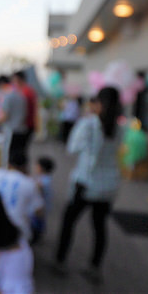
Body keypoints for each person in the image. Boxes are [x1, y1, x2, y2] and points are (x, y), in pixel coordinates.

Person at [55, 86, 123, 281]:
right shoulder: (120, 127)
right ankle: (95, 267)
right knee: (100, 226)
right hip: (108, 185)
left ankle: (60, 260)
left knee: (69, 221)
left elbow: (72, 148)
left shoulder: (89, 124)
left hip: (86, 182)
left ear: (99, 103)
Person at [0, 153, 44, 243]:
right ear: (25, 166)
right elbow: (39, 212)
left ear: (8, 164)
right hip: (17, 233)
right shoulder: (30, 183)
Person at [0, 76, 28, 167]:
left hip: (12, 131)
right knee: (19, 158)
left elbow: (5, 116)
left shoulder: (7, 97)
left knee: (9, 158)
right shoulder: (20, 95)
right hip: (21, 130)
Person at [30, 157, 55, 244]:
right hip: (43, 206)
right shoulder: (45, 178)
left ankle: (36, 237)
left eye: (37, 166)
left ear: (42, 168)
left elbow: (38, 189)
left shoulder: (44, 181)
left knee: (37, 222)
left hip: (41, 207)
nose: (35, 167)